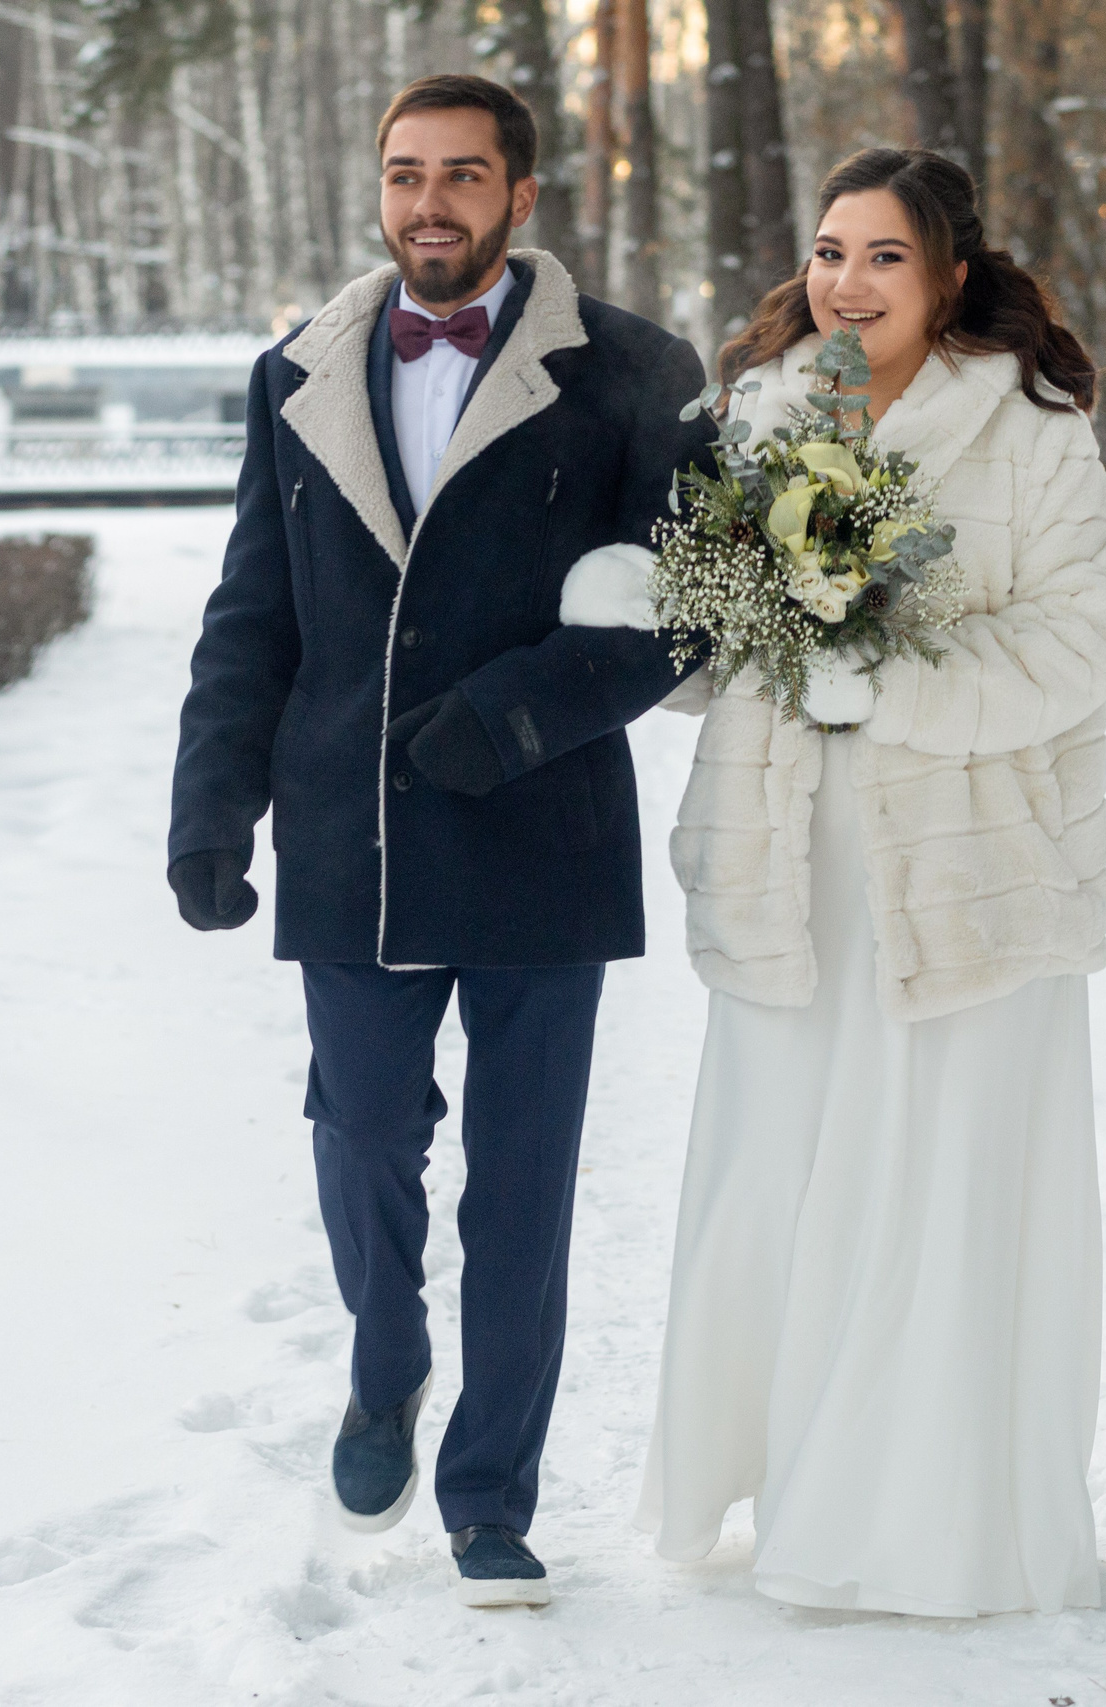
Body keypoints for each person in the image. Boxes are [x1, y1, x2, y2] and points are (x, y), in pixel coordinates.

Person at [166, 73, 713, 1609]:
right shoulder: (295, 372)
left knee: (522, 1189)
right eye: (407, 173)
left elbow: (682, 607)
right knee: (360, 1134)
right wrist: (210, 808)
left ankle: (490, 1499)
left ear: (521, 197)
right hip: (352, 834)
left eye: (463, 175)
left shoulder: (634, 370)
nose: (430, 202)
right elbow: (252, 612)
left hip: (544, 834)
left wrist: (519, 715)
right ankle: (386, 1355)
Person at [636, 147, 1106, 1616]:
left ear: (952, 276)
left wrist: (885, 675)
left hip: (968, 872)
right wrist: (705, 617)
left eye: (885, 257)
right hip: (790, 862)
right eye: (829, 252)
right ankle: (789, 1481)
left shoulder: (1032, 432)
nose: (846, 285)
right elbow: (711, 653)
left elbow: (1081, 641)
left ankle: (927, 1524)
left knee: (939, 1180)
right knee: (789, 1172)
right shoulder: (760, 416)